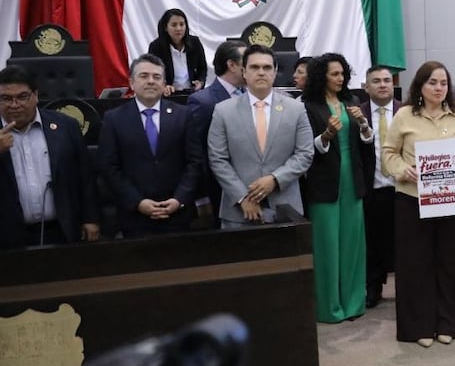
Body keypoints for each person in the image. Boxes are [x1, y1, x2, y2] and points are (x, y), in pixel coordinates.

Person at [381, 61, 455, 347]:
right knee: (416, 264)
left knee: (451, 262)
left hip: (451, 200)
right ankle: (419, 326)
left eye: (443, 83)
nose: (438, 88)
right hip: (412, 200)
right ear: (420, 85)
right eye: (432, 82)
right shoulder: (405, 115)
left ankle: (450, 323)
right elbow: (388, 153)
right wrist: (400, 169)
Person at [208, 45, 313, 228]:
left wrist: (275, 179)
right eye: (255, 67)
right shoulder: (223, 111)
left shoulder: (296, 109)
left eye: (267, 68)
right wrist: (242, 197)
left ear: (275, 72)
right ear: (244, 72)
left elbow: (305, 153)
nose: (261, 72)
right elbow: (218, 159)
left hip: (286, 209)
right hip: (238, 212)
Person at [301, 53, 372, 323]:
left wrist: (364, 124)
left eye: (343, 73)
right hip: (323, 181)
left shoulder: (352, 102)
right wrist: (327, 135)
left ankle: (353, 303)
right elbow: (306, 149)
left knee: (353, 244)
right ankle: (329, 307)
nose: (340, 79)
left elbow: (366, 141)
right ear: (322, 76)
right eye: (334, 74)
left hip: (352, 180)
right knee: (327, 245)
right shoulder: (308, 106)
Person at [98, 55, 201, 237]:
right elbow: (109, 167)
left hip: (178, 215)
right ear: (132, 82)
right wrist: (137, 202)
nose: (151, 81)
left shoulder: (183, 115)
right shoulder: (114, 119)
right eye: (144, 76)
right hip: (134, 217)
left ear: (164, 83)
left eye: (157, 77)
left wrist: (179, 199)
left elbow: (195, 162)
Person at [0, 65, 99, 250]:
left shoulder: (65, 126)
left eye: (22, 96)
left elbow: (84, 176)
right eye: (6, 98)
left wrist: (90, 218)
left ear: (35, 95)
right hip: (8, 236)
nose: (14, 105)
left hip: (61, 230)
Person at [186, 40, 247, 226]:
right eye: (248, 61)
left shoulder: (252, 96)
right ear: (232, 65)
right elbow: (197, 153)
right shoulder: (202, 101)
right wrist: (201, 197)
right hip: (218, 192)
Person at [359, 65, 402, 308]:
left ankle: (405, 289)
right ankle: (373, 288)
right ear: (366, 87)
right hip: (372, 189)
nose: (383, 84)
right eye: (376, 81)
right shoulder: (356, 113)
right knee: (372, 243)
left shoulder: (406, 111)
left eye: (387, 80)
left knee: (404, 242)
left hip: (402, 188)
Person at [146, 8, 207, 96]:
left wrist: (200, 82)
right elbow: (151, 72)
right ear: (166, 27)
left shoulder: (195, 42)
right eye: (174, 25)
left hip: (191, 92)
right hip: (168, 94)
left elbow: (202, 68)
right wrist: (163, 86)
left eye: (182, 24)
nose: (179, 28)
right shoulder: (156, 46)